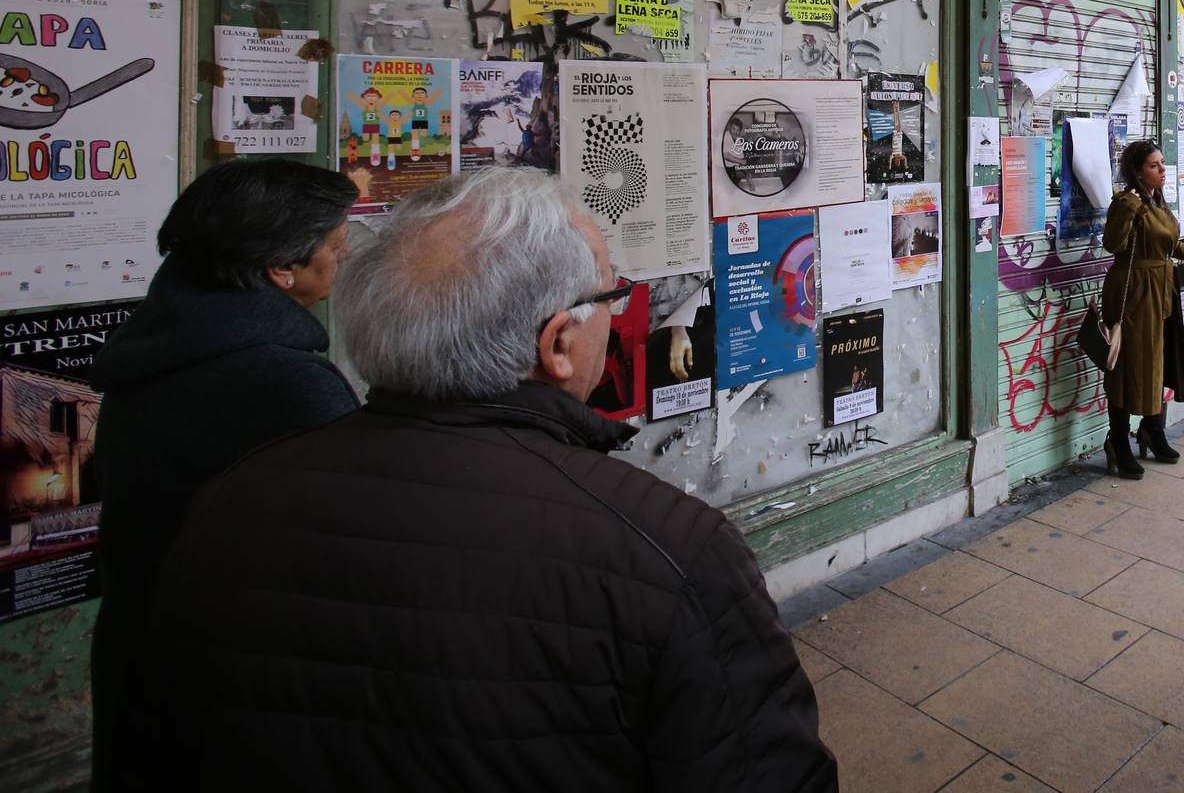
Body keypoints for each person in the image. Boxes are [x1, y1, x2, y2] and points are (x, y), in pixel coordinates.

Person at [139, 168, 836, 790]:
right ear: (558, 344)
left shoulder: (231, 501)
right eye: (612, 293)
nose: (621, 309)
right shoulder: (668, 548)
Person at [88, 160, 360, 793]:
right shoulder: (285, 383)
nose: (343, 255)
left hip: (140, 651)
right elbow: (348, 544)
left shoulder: (158, 346)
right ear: (279, 269)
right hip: (238, 684)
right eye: (334, 245)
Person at [1102, 140, 1184, 477]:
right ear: (1137, 171)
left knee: (1160, 362)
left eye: (1162, 163)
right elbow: (1112, 244)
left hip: (1162, 292)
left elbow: (1169, 247)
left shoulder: (1158, 201)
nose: (1162, 169)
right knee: (1126, 367)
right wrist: (1130, 207)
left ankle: (1153, 430)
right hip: (1134, 295)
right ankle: (1118, 441)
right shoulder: (1127, 203)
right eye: (1154, 165)